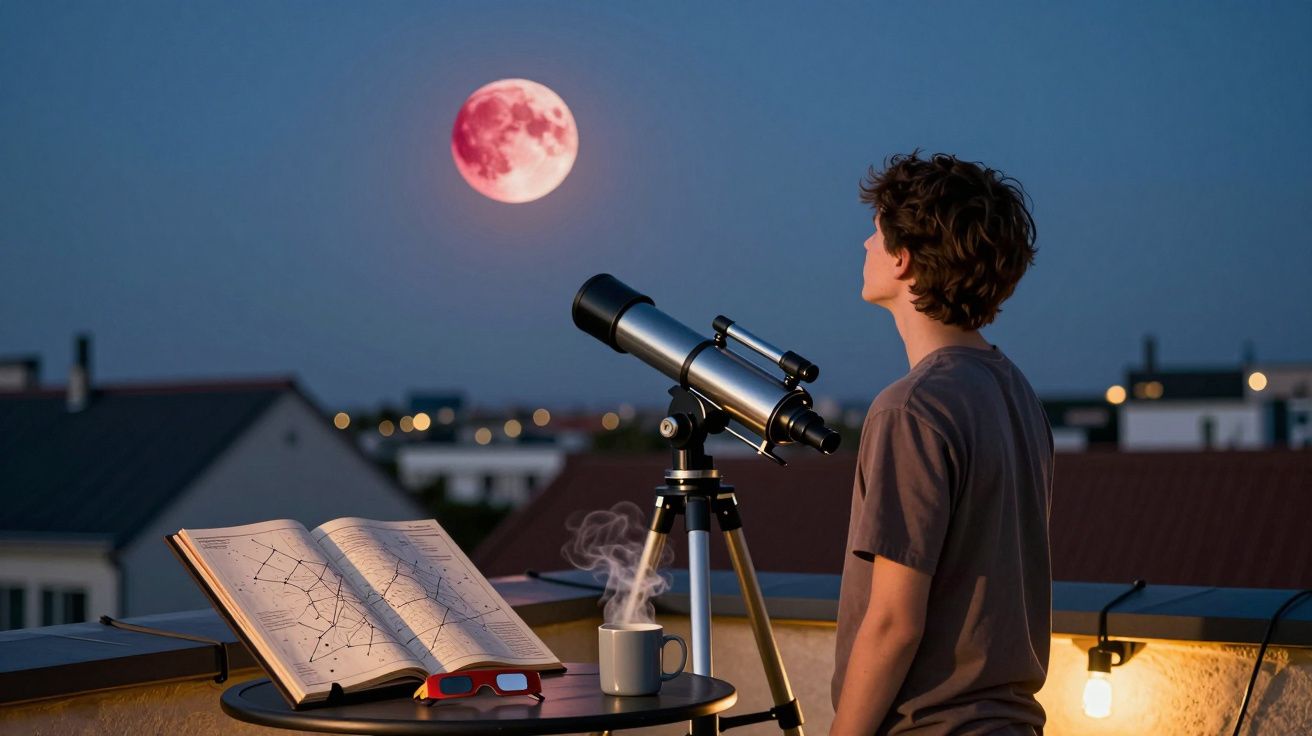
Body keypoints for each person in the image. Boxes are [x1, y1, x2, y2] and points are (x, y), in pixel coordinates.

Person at [830, 152, 1053, 735]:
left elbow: (893, 622)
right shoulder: (1014, 390)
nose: (864, 245)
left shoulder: (912, 408)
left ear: (904, 259)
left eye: (876, 233)